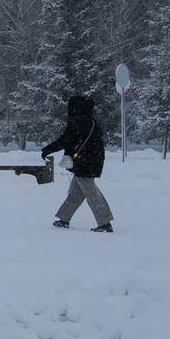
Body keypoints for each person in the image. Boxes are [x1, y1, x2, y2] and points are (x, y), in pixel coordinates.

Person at [41, 91, 112, 233]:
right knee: (76, 191)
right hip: (93, 159)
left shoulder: (77, 121)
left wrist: (47, 149)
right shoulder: (92, 122)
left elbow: (66, 139)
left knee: (91, 192)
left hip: (84, 161)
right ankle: (64, 218)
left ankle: (105, 223)